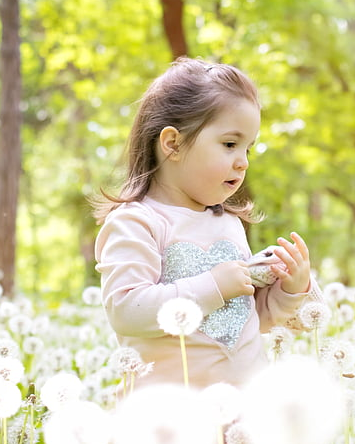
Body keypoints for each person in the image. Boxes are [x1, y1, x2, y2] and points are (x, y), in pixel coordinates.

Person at [93, 57, 321, 390]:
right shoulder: (136, 223)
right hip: (171, 417)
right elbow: (127, 310)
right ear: (173, 144)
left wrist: (290, 289)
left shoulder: (228, 223)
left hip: (244, 411)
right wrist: (213, 286)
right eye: (230, 144)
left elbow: (247, 318)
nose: (242, 162)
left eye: (248, 149)